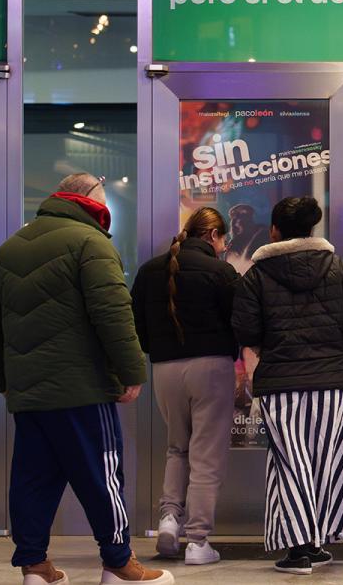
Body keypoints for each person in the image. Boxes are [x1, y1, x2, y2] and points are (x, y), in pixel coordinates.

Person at [0, 173, 172, 585]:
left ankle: (35, 567)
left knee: (33, 478)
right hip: (81, 387)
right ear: (89, 201)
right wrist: (131, 370)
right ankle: (120, 564)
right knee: (102, 474)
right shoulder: (91, 243)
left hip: (29, 391)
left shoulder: (8, 249)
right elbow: (113, 313)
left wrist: (4, 382)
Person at [232, 197, 343, 574]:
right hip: (333, 384)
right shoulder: (338, 268)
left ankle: (298, 552)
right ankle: (318, 541)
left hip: (280, 383)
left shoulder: (257, 275)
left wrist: (267, 347)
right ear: (311, 230)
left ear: (275, 230)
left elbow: (245, 329)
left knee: (290, 463)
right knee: (328, 461)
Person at [131, 207, 239, 565]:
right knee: (206, 456)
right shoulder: (221, 272)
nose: (224, 247)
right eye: (223, 240)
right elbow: (239, 321)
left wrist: (156, 351)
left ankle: (168, 519)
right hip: (211, 368)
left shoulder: (149, 271)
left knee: (177, 448)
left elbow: (136, 323)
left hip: (164, 369)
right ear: (212, 236)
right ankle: (197, 540)